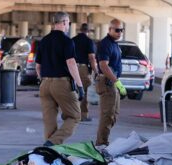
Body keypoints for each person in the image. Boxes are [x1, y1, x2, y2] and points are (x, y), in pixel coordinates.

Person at [35, 11, 84, 147]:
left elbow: (38, 66)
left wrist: (42, 80)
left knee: (49, 120)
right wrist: (80, 86)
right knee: (74, 116)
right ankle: (52, 143)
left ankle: (50, 152)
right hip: (61, 83)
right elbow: (71, 63)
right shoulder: (67, 41)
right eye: (68, 22)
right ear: (63, 22)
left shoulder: (43, 41)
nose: (68, 25)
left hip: (44, 84)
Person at [95, 19, 127, 146]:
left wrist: (117, 83)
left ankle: (103, 140)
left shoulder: (114, 44)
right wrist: (117, 82)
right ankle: (101, 144)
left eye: (121, 30)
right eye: (117, 30)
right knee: (107, 115)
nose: (120, 32)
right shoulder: (105, 44)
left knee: (114, 115)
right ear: (110, 30)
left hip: (113, 82)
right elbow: (103, 65)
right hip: (108, 82)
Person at [72, 23, 99, 122]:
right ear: (88, 31)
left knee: (73, 91)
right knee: (85, 92)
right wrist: (95, 71)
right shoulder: (89, 41)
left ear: (80, 29)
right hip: (83, 69)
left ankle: (70, 114)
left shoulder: (73, 40)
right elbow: (92, 57)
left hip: (72, 67)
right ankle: (83, 115)